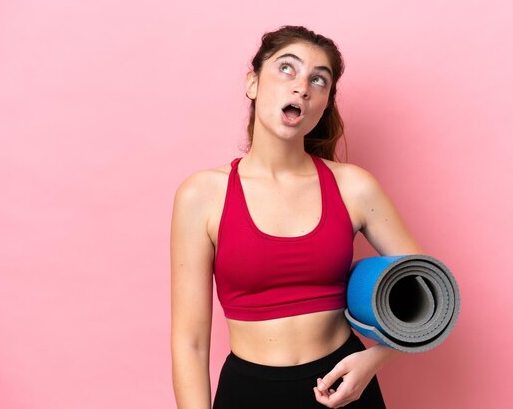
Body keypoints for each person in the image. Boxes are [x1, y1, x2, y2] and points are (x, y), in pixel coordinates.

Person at [170, 25, 422, 409]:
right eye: (287, 69)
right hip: (248, 394)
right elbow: (190, 342)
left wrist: (375, 359)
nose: (302, 86)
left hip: (343, 390)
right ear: (252, 83)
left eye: (318, 80)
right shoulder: (201, 194)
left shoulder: (354, 187)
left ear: (323, 105)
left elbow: (431, 297)